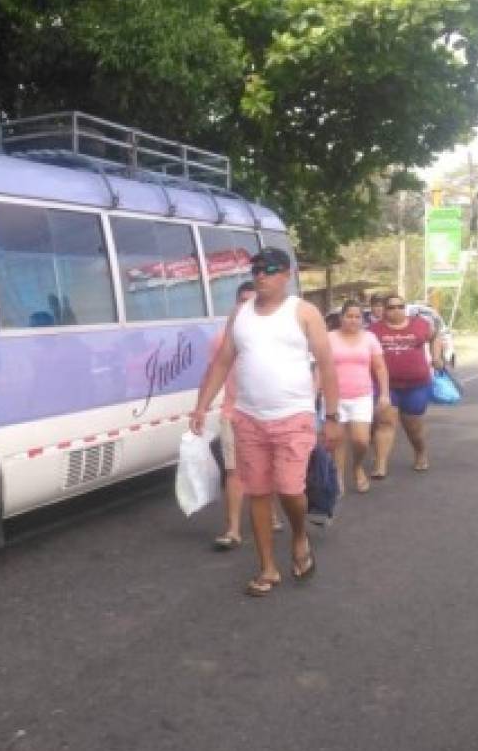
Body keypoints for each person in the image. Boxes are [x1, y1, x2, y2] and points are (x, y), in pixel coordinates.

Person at [190, 247, 341, 597]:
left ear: (286, 274)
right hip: (248, 418)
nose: (261, 274)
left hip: (294, 416)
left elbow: (327, 365)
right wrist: (201, 406)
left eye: (270, 269)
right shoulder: (240, 314)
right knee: (257, 493)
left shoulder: (303, 312)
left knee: (290, 490)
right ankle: (267, 568)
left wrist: (331, 416)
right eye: (256, 268)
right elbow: (223, 362)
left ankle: (299, 537)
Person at [205, 282, 284, 551]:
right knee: (234, 470)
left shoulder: (275, 335)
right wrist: (200, 407)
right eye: (242, 301)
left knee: (266, 467)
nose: (245, 307)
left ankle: (270, 511)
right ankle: (233, 529)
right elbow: (215, 371)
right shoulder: (221, 339)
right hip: (233, 412)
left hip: (270, 413)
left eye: (252, 302)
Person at [369, 294, 443, 475]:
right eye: (391, 307)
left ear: (405, 308)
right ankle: (380, 465)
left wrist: (436, 357)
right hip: (387, 386)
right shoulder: (373, 330)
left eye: (400, 306)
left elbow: (435, 337)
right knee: (384, 422)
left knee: (413, 427)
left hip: (416, 385)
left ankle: (420, 452)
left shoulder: (420, 324)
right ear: (384, 310)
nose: (396, 310)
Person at [327, 300, 390, 493]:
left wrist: (385, 394)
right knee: (337, 440)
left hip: (361, 396)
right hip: (334, 397)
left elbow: (379, 367)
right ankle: (338, 478)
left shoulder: (369, 338)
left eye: (357, 317)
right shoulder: (329, 338)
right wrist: (315, 392)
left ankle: (357, 466)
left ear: (362, 319)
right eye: (349, 316)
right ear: (341, 318)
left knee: (361, 441)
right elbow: (321, 368)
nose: (353, 320)